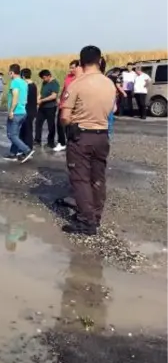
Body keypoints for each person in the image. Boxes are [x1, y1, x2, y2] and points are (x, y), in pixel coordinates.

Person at [59, 45, 116, 236]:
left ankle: (86, 220)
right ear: (99, 60)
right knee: (97, 177)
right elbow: (111, 110)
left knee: (80, 178)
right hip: (102, 135)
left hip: (82, 135)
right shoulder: (109, 83)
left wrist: (74, 119)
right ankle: (96, 215)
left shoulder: (77, 84)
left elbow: (65, 117)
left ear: (81, 61)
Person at [5, 64, 34, 163]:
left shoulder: (14, 82)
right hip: (23, 112)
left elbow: (15, 97)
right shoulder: (24, 82)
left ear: (12, 72)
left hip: (16, 112)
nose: (9, 74)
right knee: (15, 134)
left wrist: (11, 111)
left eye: (9, 72)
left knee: (11, 135)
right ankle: (13, 153)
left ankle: (26, 150)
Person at [54, 60, 81, 152]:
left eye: (73, 67)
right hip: (63, 103)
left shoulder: (79, 78)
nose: (71, 69)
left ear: (78, 68)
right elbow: (65, 89)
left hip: (73, 105)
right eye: (70, 67)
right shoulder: (68, 77)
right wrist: (60, 99)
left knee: (71, 125)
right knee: (60, 123)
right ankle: (61, 142)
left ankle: (71, 143)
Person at [34, 70, 59, 148]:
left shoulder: (54, 83)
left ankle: (51, 142)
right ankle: (37, 140)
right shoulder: (44, 83)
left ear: (49, 76)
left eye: (44, 78)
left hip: (50, 107)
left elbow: (54, 96)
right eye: (42, 78)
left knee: (50, 125)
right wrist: (37, 100)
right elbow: (41, 93)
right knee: (38, 123)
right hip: (42, 107)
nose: (43, 79)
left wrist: (42, 100)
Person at [19, 68, 37, 149]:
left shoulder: (26, 86)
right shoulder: (33, 84)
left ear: (23, 76)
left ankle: (28, 148)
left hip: (27, 111)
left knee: (27, 130)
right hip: (32, 110)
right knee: (25, 129)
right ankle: (23, 147)